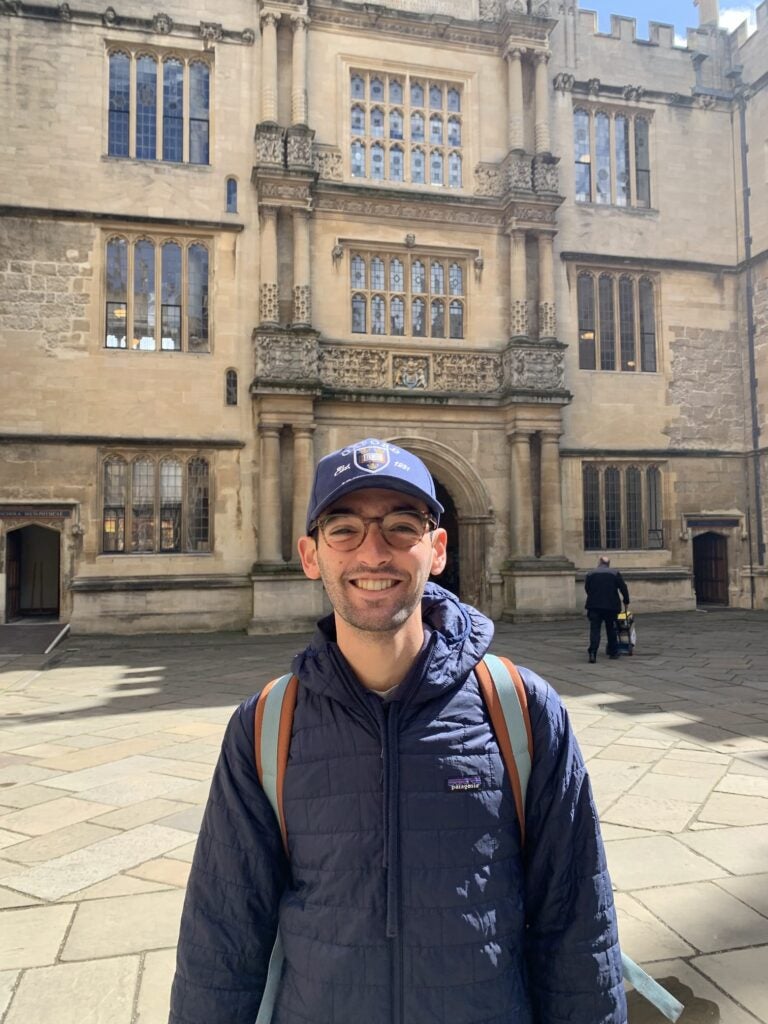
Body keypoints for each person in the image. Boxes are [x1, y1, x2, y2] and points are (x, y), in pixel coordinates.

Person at [170, 437, 627, 1024]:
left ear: (437, 549)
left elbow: (578, 924)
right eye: (344, 530)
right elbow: (221, 937)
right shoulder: (264, 727)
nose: (374, 552)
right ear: (311, 556)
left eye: (401, 527)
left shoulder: (522, 711)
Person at [585, 555, 630, 663]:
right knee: (611, 629)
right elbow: (623, 587)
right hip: (611, 606)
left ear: (599, 563)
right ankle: (613, 652)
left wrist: (594, 597)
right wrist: (626, 600)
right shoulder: (614, 573)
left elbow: (587, 588)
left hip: (594, 606)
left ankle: (592, 653)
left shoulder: (590, 574)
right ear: (608, 564)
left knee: (595, 630)